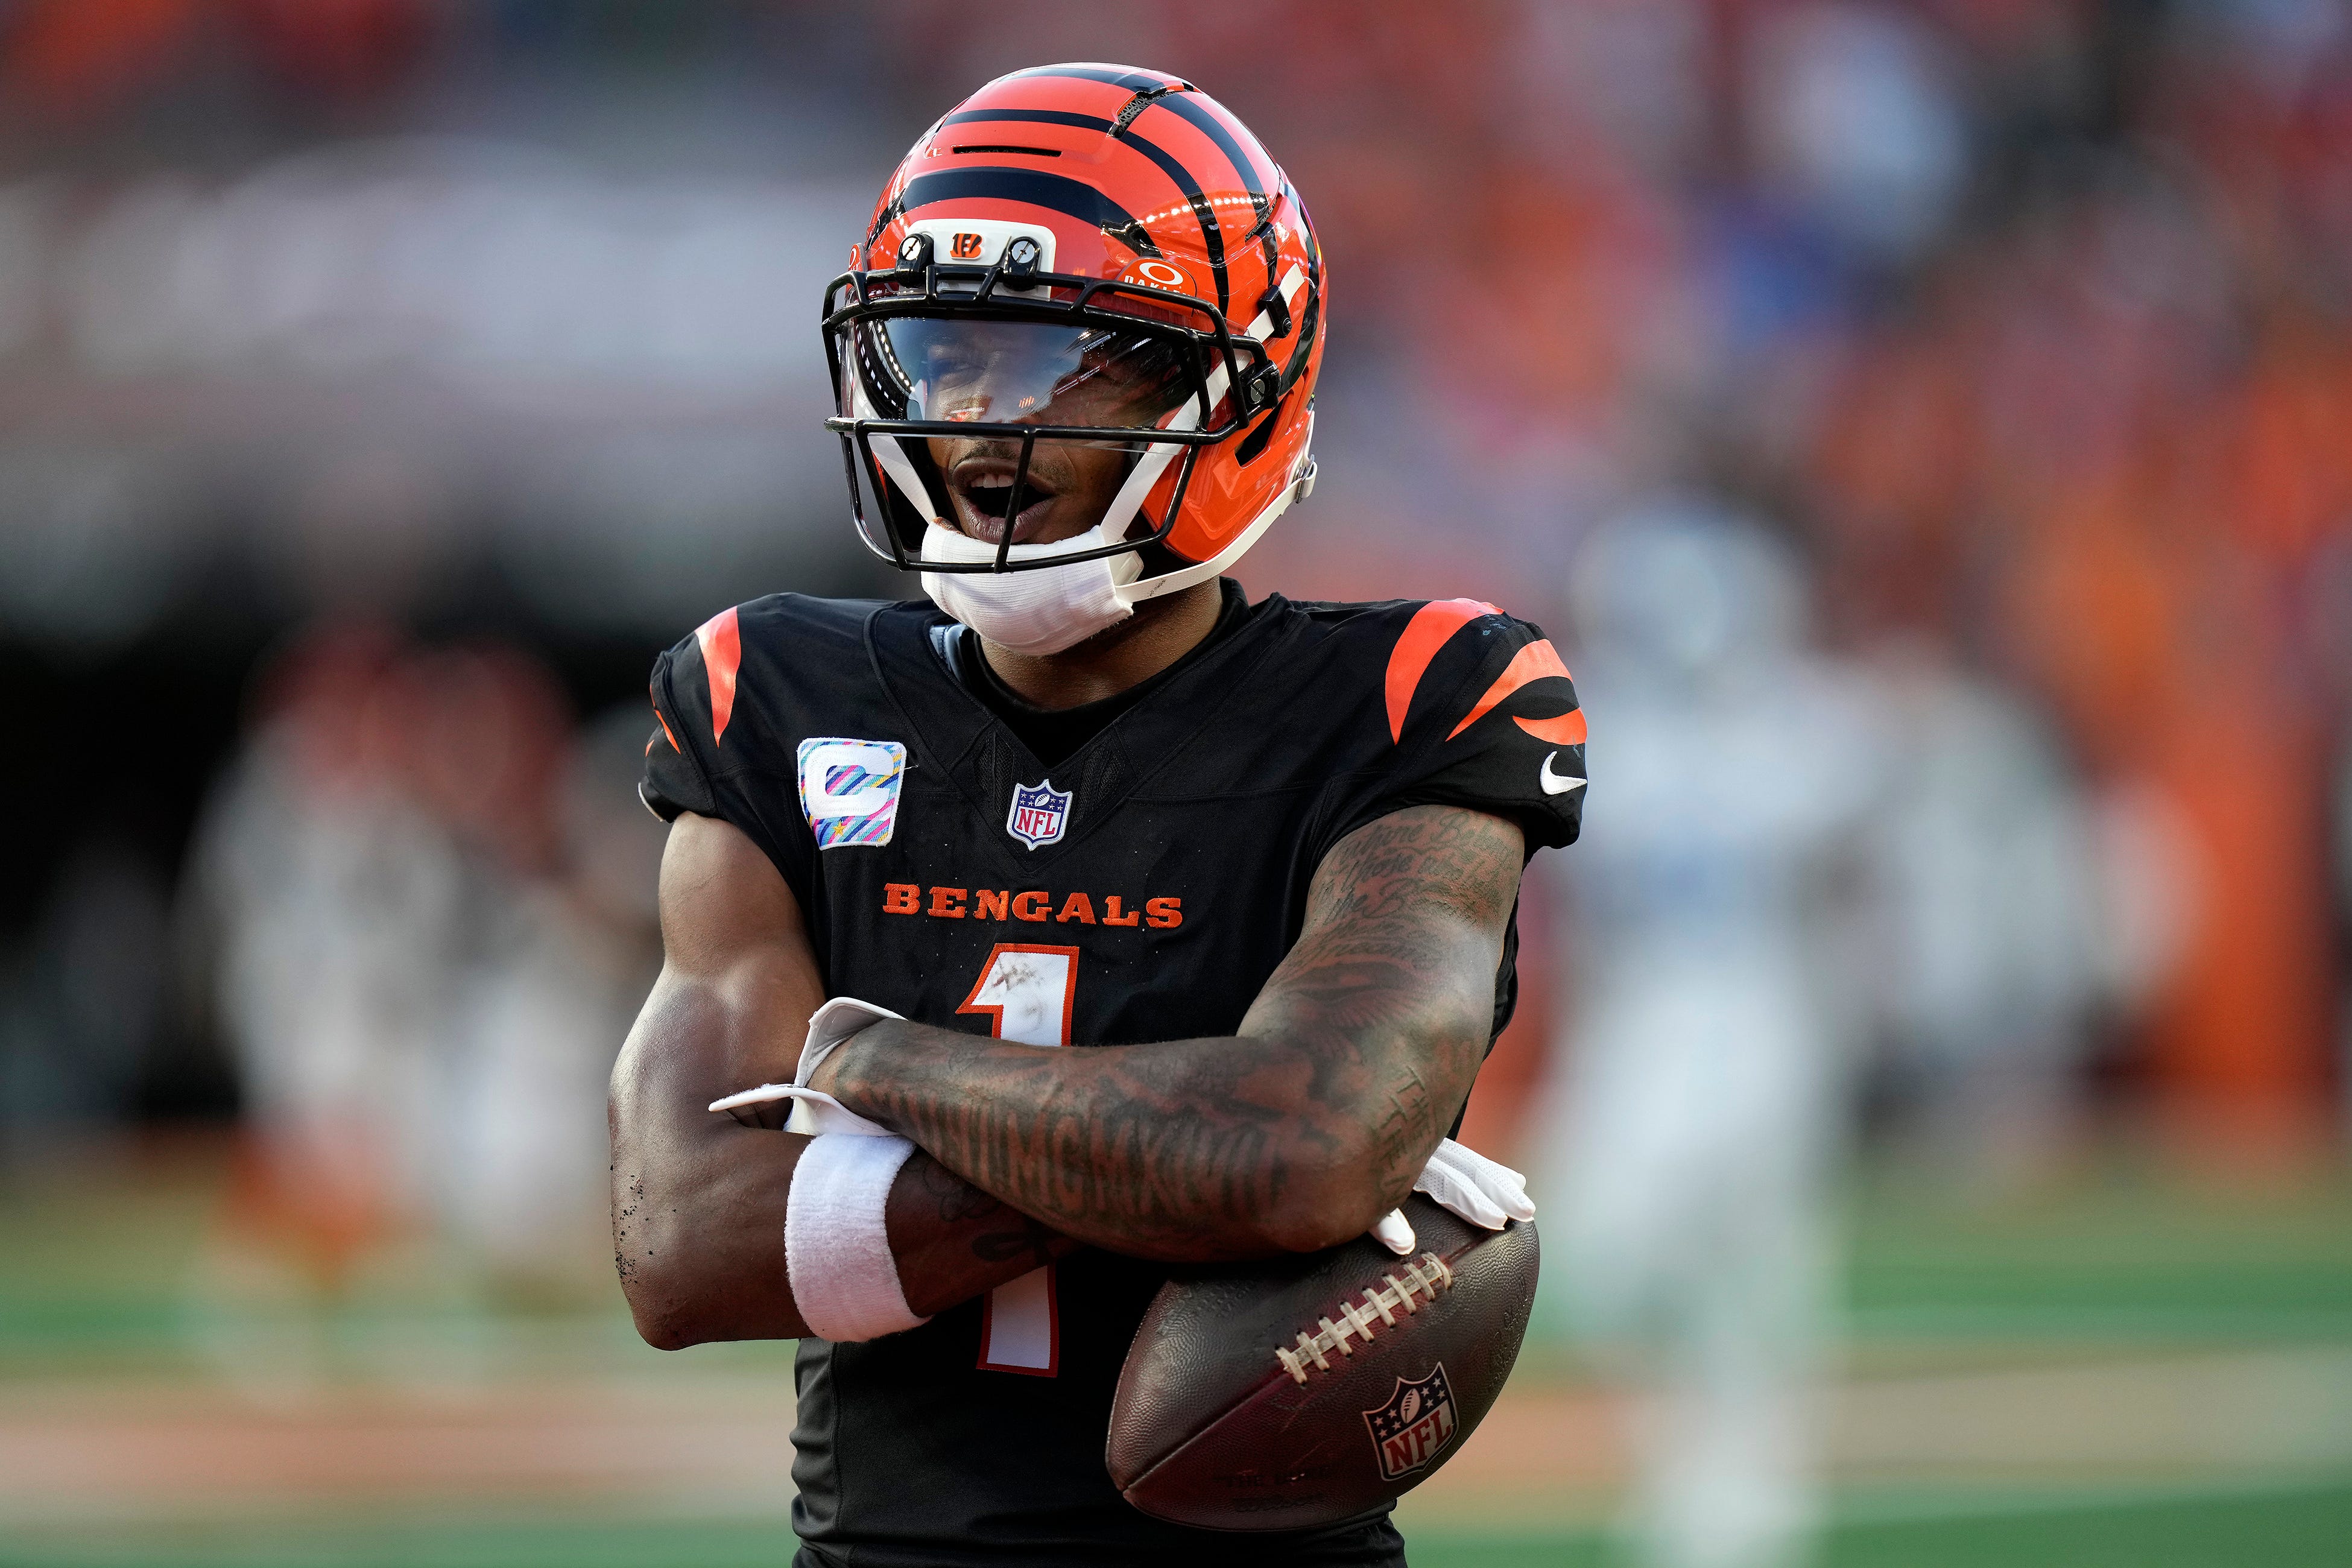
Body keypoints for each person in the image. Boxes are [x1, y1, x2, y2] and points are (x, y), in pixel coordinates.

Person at [609, 64, 1585, 1568]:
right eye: (943, 355)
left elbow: (1307, 1153)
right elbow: (683, 1246)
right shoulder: (770, 693)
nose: (984, 422)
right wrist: (1197, 1149)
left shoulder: (1415, 697)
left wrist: (878, 1070)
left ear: (1245, 390)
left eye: (1073, 366)